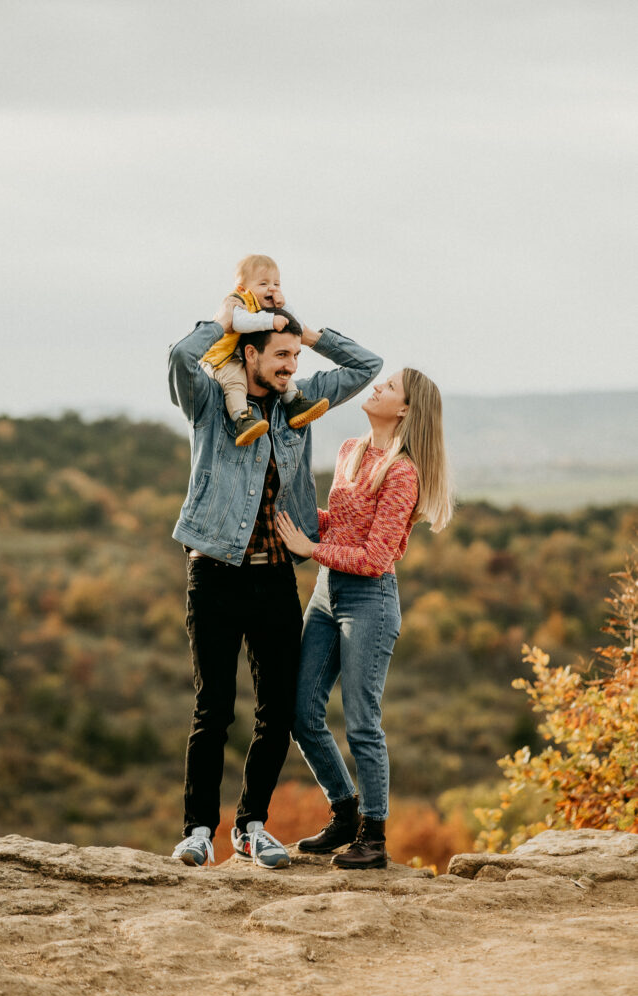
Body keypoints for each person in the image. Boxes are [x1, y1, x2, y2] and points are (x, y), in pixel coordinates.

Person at [168, 292, 382, 869]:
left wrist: (304, 332)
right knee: (214, 709)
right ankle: (197, 831)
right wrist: (229, 319)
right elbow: (180, 358)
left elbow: (368, 365)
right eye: (280, 355)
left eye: (295, 356)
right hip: (214, 575)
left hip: (276, 579)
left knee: (277, 710)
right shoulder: (211, 401)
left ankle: (250, 828)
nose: (291, 365)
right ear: (250, 354)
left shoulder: (298, 405)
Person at [276, 368, 454, 869]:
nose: (377, 387)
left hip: (369, 601)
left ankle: (373, 838)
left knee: (361, 724)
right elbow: (341, 525)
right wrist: (294, 520)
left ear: (405, 409)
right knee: (301, 712)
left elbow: (375, 557)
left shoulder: (403, 473)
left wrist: (310, 548)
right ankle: (344, 813)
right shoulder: (350, 450)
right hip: (326, 594)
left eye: (389, 387)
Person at [201, 254, 329, 446]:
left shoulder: (262, 308)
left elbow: (295, 323)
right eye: (263, 284)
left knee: (281, 369)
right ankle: (242, 419)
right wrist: (271, 320)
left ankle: (294, 404)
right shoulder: (237, 301)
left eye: (277, 284)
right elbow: (240, 323)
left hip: (238, 353)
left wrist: (283, 306)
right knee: (235, 381)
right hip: (219, 359)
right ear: (242, 288)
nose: (272, 288)